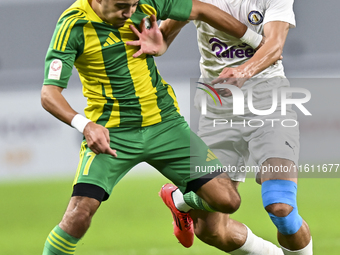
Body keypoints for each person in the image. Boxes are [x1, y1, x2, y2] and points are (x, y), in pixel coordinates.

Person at [39, 0, 272, 254]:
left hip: (165, 125)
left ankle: (178, 200)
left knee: (228, 201)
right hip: (113, 135)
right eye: (121, 6)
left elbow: (201, 9)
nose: (129, 13)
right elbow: (49, 94)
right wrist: (85, 125)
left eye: (133, 5)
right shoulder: (73, 24)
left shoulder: (147, 3)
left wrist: (256, 41)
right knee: (78, 216)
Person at [128, 0, 313, 254]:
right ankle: (180, 199)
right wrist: (159, 45)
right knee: (212, 231)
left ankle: (179, 198)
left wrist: (244, 71)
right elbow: (165, 34)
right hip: (218, 109)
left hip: (269, 103)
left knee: (281, 206)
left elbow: (274, 45)